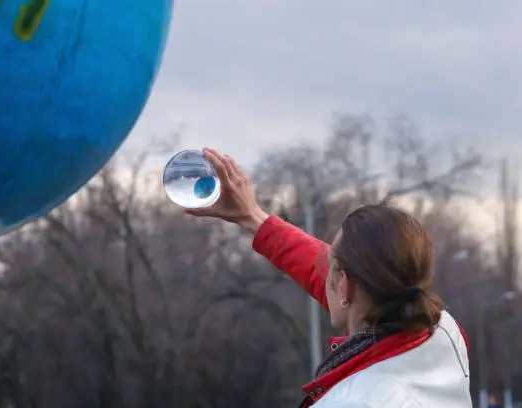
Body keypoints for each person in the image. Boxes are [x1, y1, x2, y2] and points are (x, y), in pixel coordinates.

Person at [186, 148, 472, 407]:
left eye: (331, 265)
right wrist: (252, 216)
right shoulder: (443, 333)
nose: (324, 270)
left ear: (343, 286)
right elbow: (325, 268)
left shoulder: (350, 402)